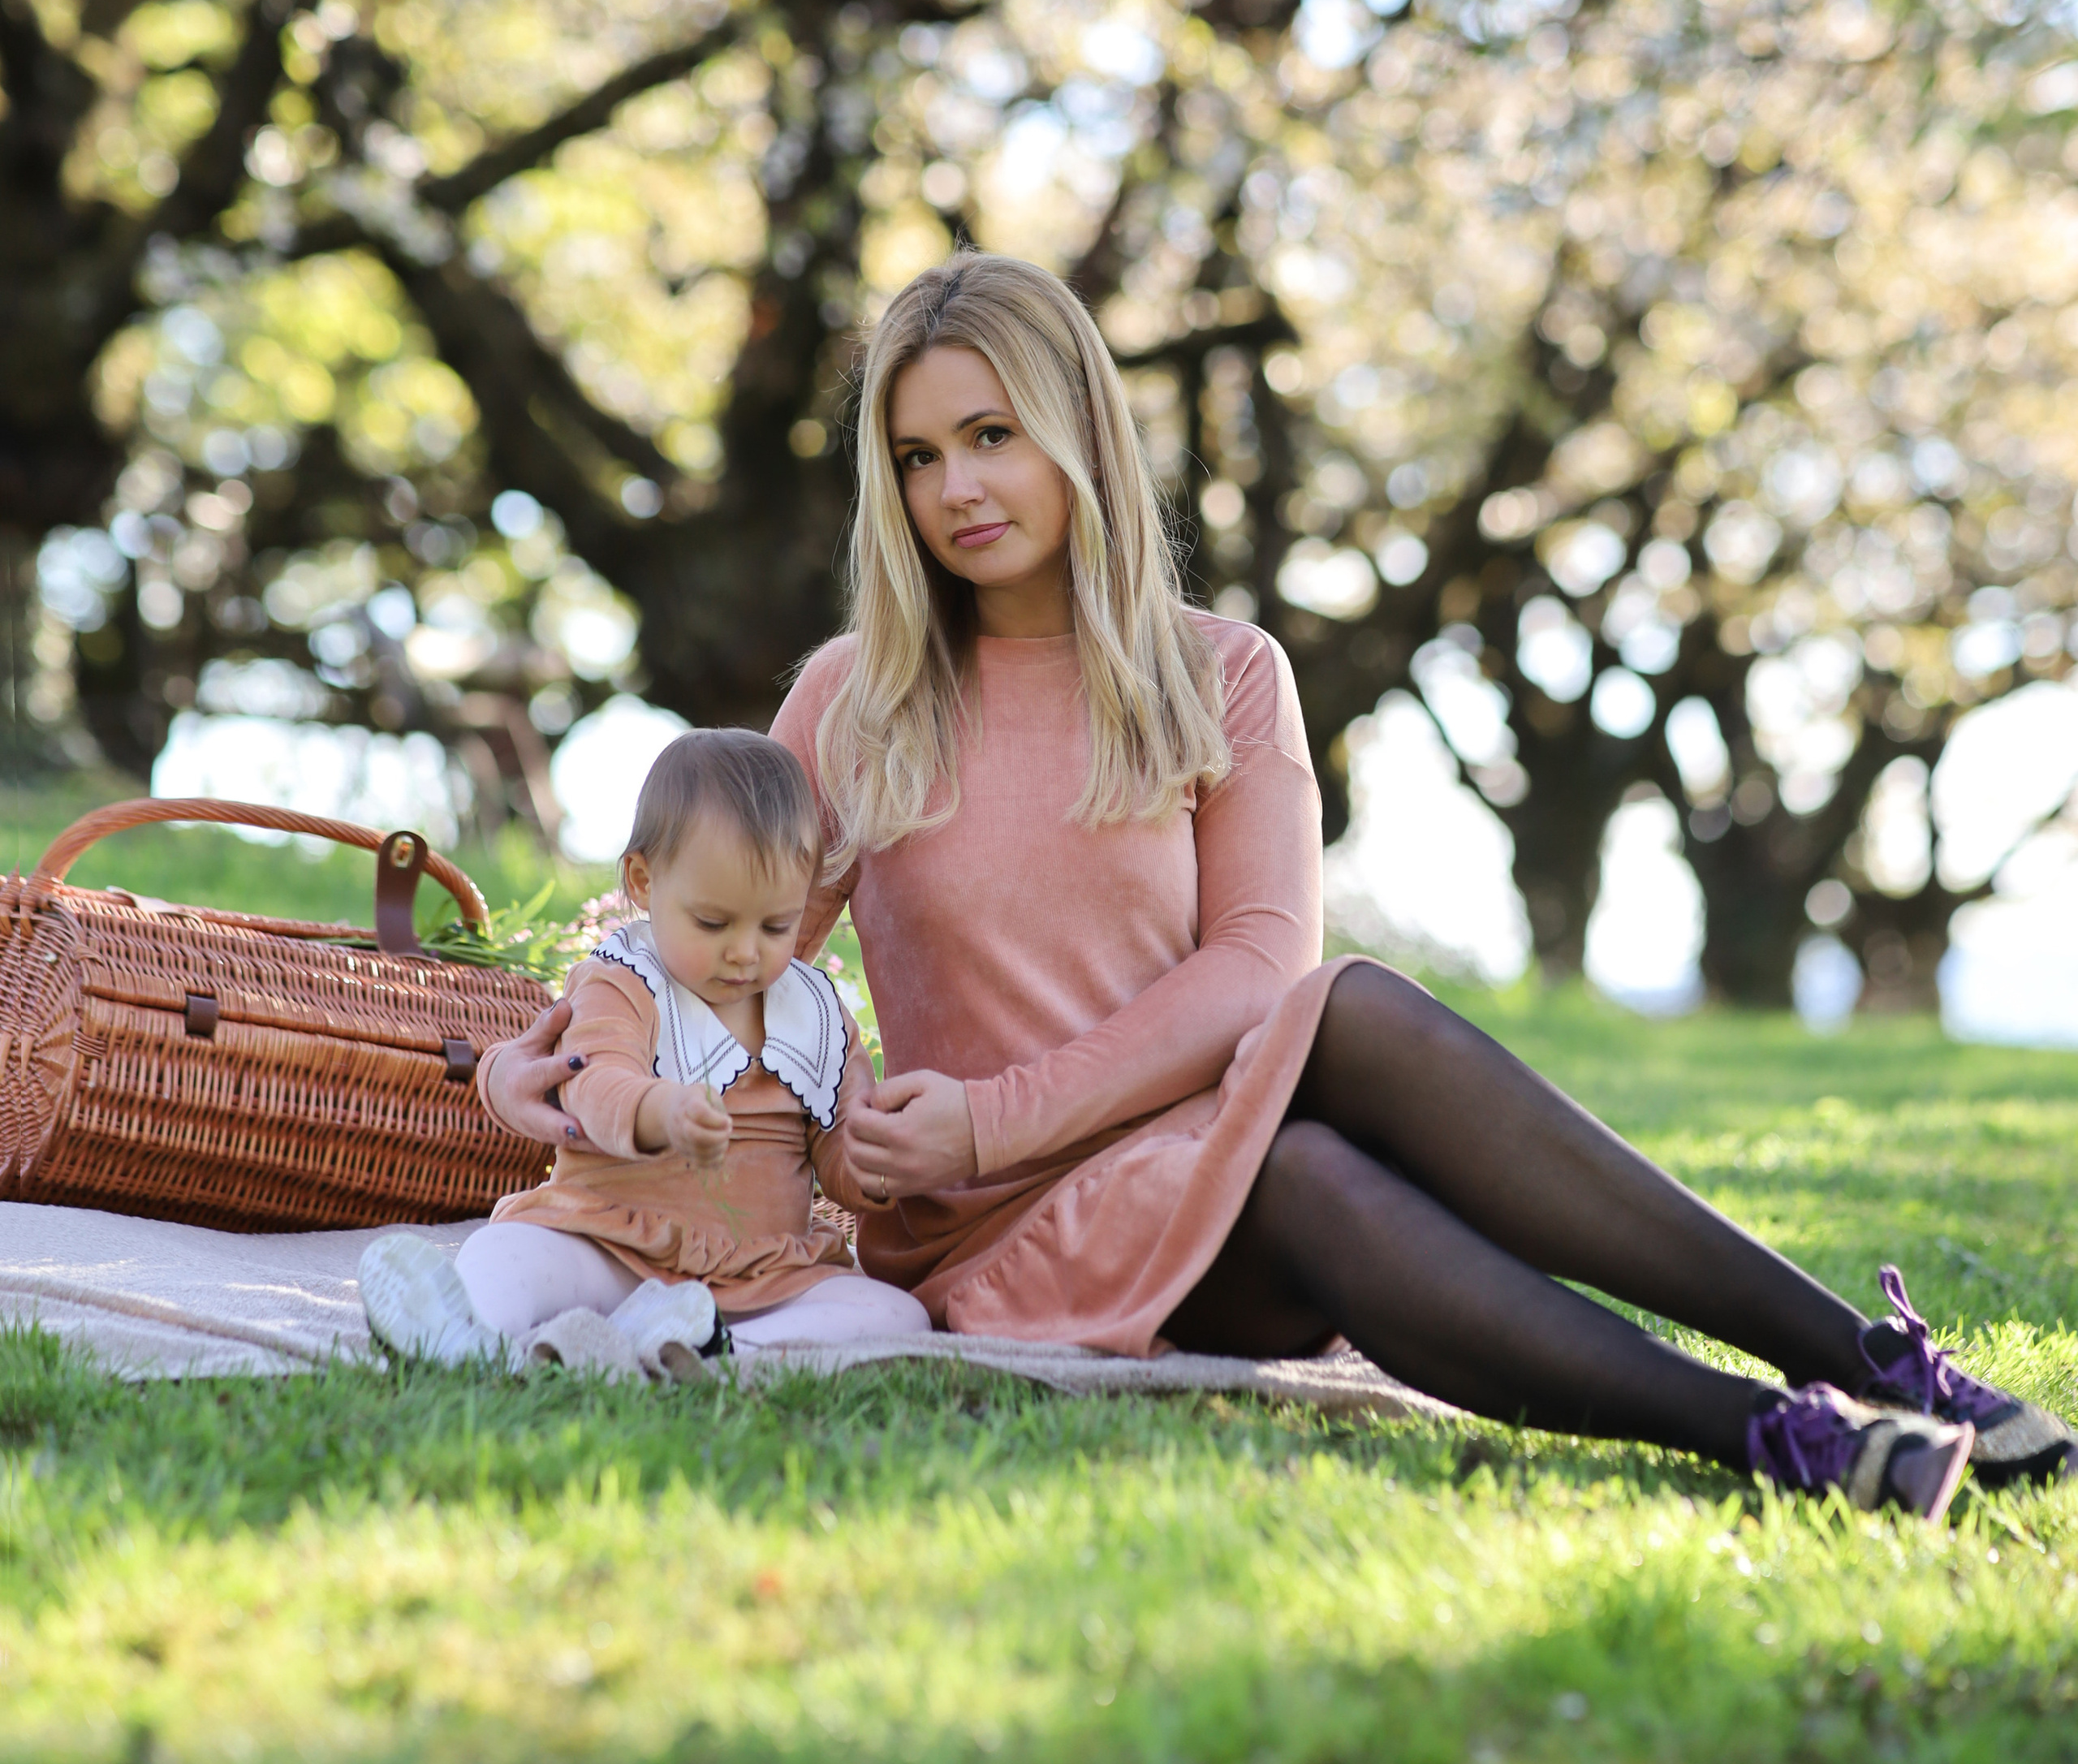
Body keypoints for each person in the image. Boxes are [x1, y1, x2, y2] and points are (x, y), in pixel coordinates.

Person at [483, 252, 2071, 1513]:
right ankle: (1774, 1436)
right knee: (1304, 1166)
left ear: (1077, 437)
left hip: (1175, 1153)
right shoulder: (855, 697)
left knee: (1347, 1009)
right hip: (985, 1227)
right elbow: (711, 944)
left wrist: (1012, 1100)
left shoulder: (1215, 678)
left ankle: (1873, 1364)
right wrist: (560, 1049)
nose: (956, 486)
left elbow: (1258, 967)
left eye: (991, 436)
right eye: (915, 455)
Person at [361, 729, 929, 1367]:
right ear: (642, 880)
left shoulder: (818, 1015)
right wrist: (662, 1111)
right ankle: (460, 1333)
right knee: (510, 1253)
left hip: (760, 1270)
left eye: (777, 925)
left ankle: (707, 1348)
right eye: (713, 923)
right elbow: (595, 1081)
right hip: (609, 1244)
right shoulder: (625, 982)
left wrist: (877, 1168)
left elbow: (838, 1142)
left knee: (896, 1314)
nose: (746, 952)